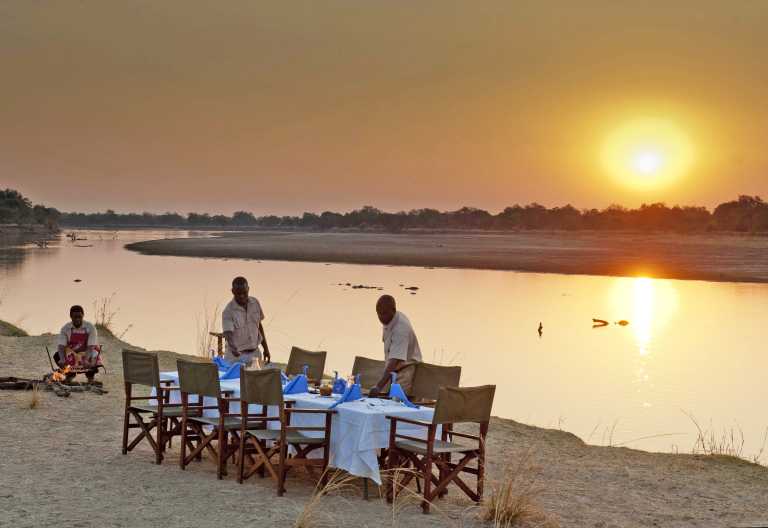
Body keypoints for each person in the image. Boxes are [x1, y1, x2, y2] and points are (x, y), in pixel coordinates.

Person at [369, 295, 422, 396]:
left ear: (393, 310)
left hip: (406, 370)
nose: (381, 317)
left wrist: (379, 386)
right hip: (393, 369)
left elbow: (394, 361)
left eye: (384, 313)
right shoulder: (389, 319)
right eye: (378, 314)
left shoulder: (401, 329)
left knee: (396, 402)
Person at [222, 276, 271, 367]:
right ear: (233, 291)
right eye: (238, 293)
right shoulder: (228, 311)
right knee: (236, 381)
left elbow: (259, 326)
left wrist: (266, 349)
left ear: (248, 289)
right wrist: (233, 349)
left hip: (254, 355)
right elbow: (228, 334)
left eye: (244, 293)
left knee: (257, 380)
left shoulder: (255, 303)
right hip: (235, 357)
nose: (242, 296)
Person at [55, 305, 100, 383]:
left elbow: (91, 346)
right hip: (73, 353)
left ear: (83, 315)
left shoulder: (91, 327)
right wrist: (62, 359)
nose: (77, 319)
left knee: (94, 355)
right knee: (57, 355)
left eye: (79, 317)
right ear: (71, 317)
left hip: (87, 351)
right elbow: (61, 346)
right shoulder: (65, 328)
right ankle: (69, 375)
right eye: (75, 317)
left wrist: (86, 359)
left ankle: (90, 377)